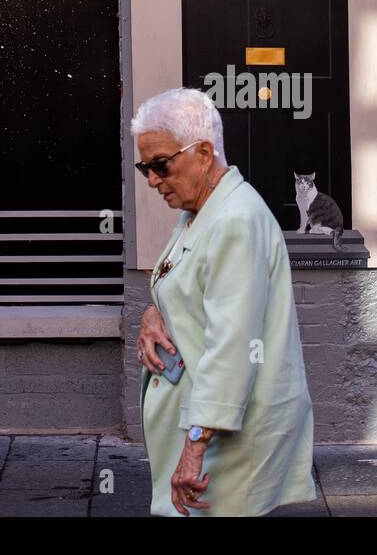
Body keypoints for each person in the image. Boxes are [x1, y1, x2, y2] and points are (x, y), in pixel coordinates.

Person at [131, 87, 316, 516]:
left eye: (161, 165)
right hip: (211, 429)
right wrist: (154, 313)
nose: (154, 180)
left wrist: (193, 449)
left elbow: (234, 348)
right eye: (145, 168)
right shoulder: (200, 209)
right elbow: (186, 285)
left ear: (203, 152)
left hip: (225, 442)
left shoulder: (235, 220)